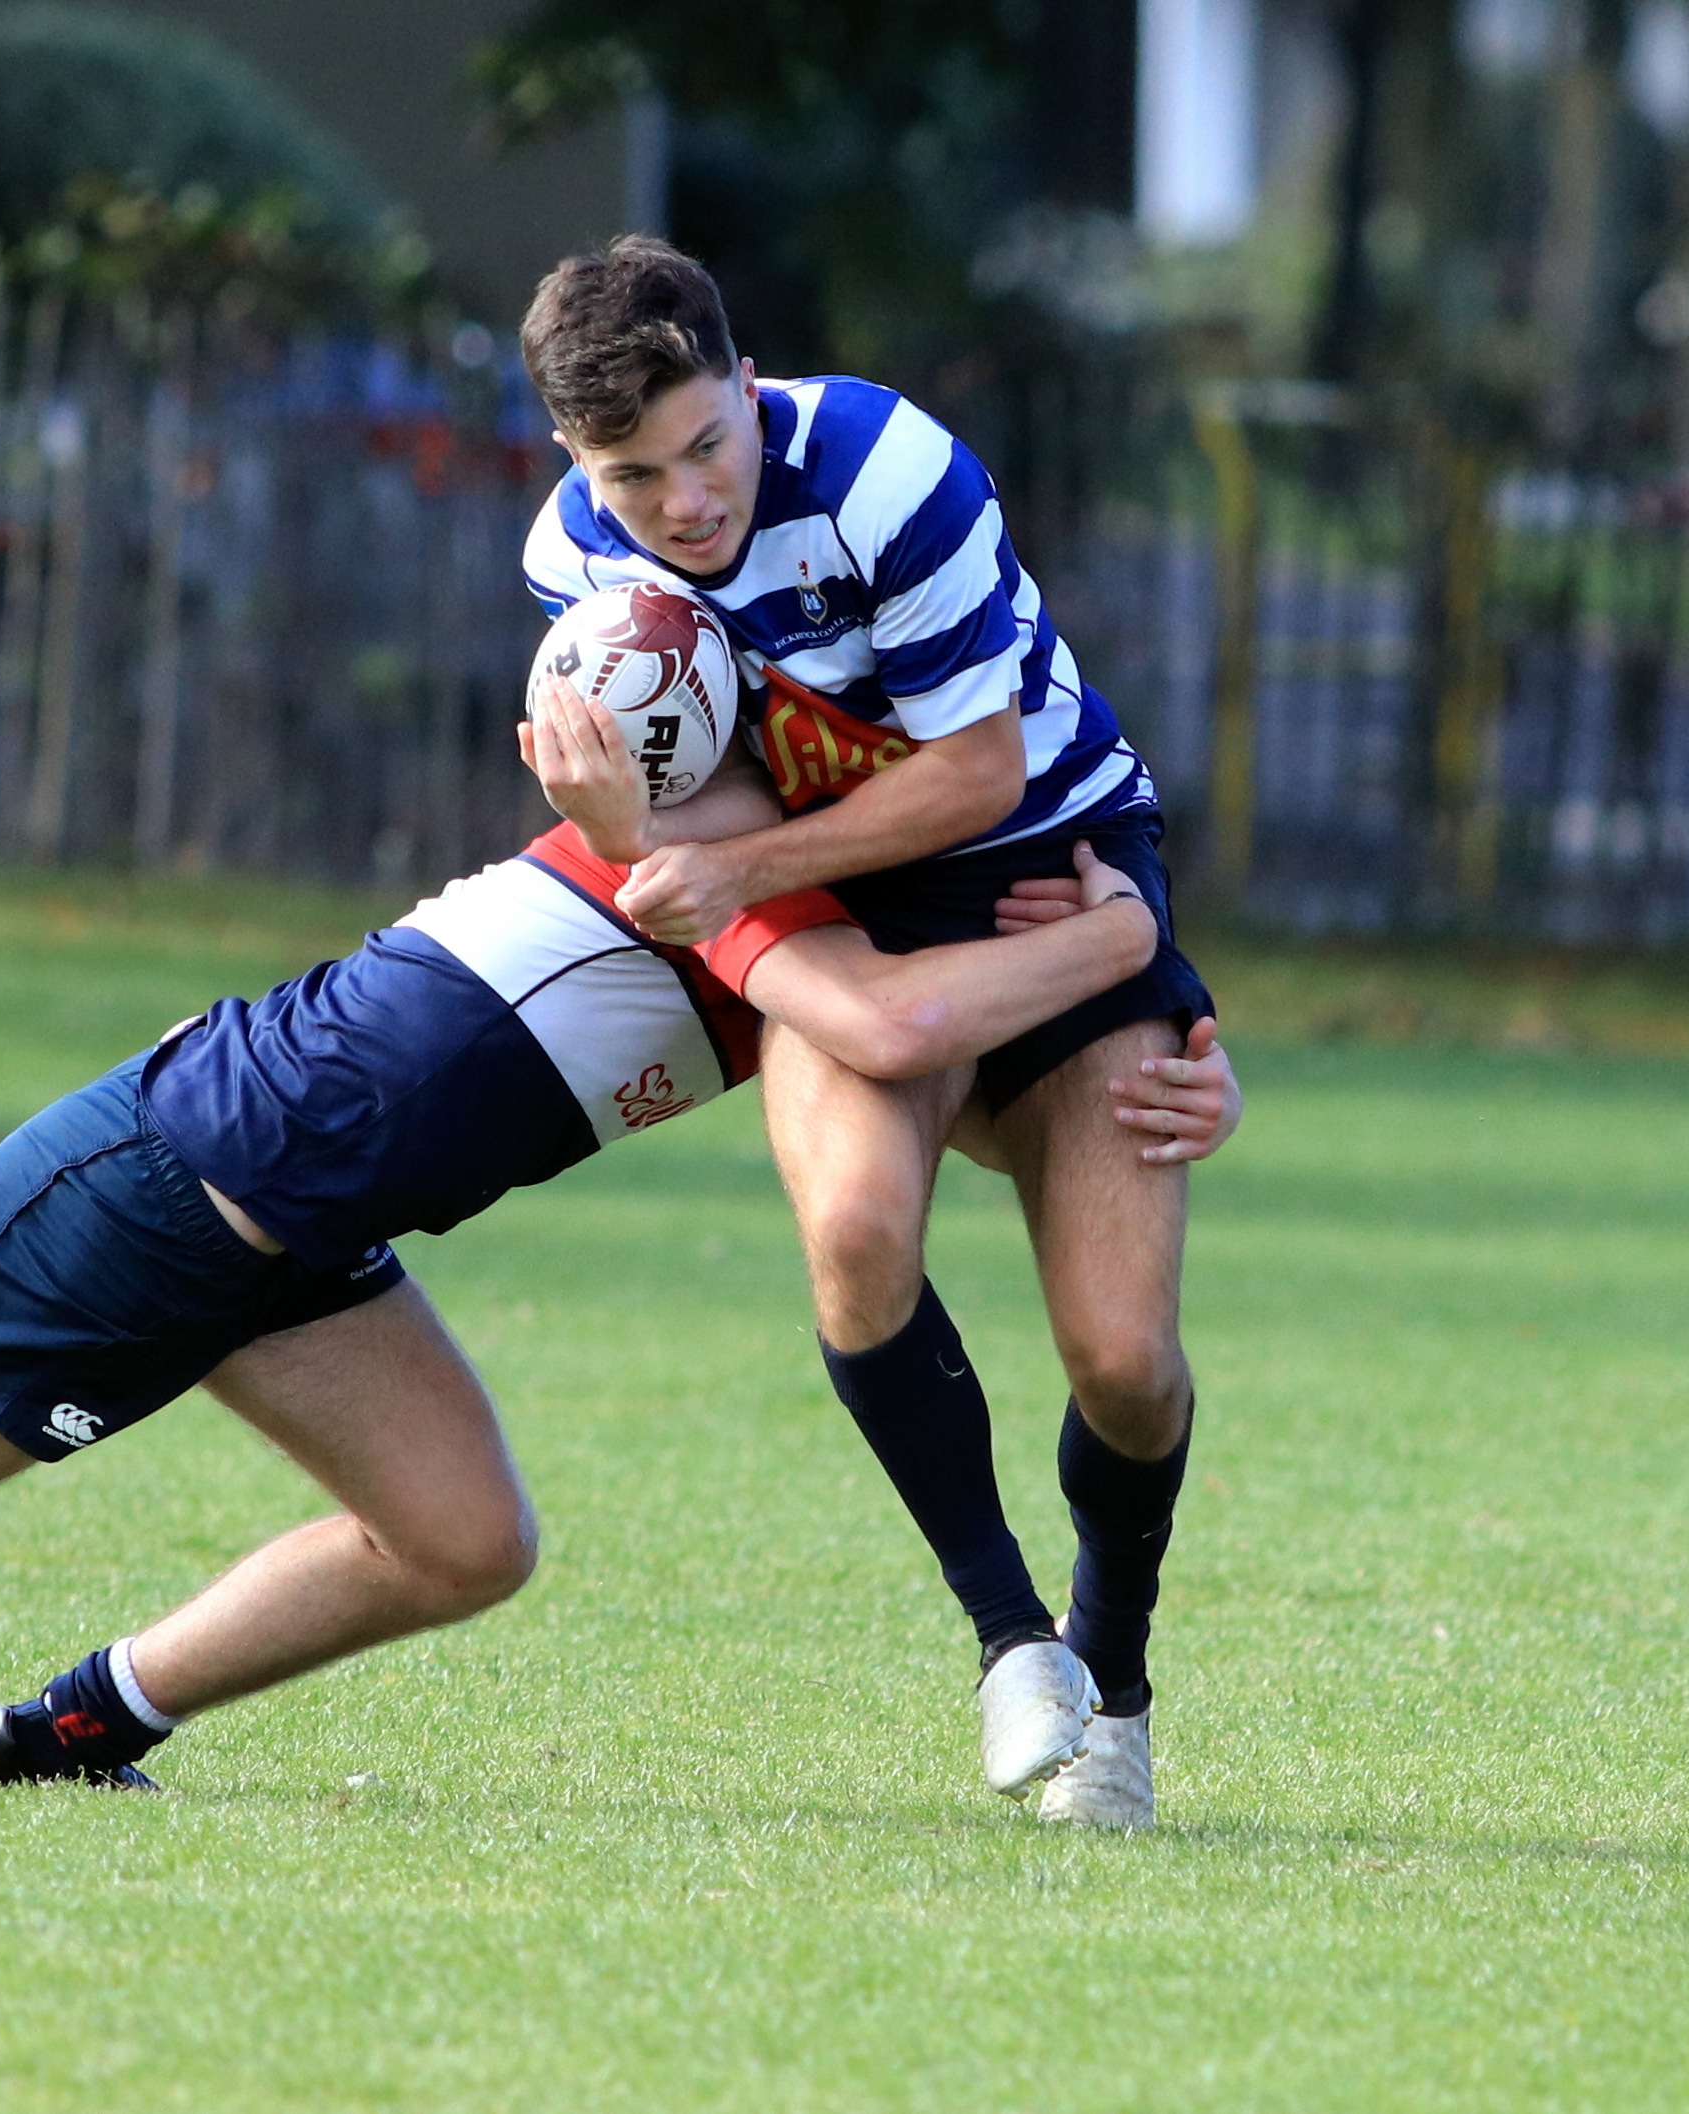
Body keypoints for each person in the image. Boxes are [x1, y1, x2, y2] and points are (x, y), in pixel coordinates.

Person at [0, 818, 1227, 1788]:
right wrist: (1125, 945)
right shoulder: (718, 860)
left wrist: (1122, 1075)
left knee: (460, 1537)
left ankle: (68, 1731)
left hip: (296, 1235)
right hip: (159, 1191)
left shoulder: (813, 889)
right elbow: (888, 1034)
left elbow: (907, 1085)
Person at [517, 236, 1238, 1827]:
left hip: (1050, 873)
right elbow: (677, 834)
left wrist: (738, 869)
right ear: (576, 460)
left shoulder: (882, 467)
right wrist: (618, 819)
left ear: (746, 375)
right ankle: (1013, 1651)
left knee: (1124, 1356)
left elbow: (978, 773)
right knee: (852, 1228)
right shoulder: (577, 567)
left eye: (709, 443)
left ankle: (1113, 1684)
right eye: (634, 474)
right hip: (857, 919)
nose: (688, 501)